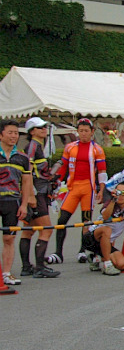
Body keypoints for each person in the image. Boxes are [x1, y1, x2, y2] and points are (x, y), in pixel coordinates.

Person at [46, 118, 107, 265]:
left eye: (86, 131)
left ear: (92, 132)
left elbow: (102, 171)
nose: (84, 134)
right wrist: (55, 181)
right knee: (62, 220)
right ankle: (58, 253)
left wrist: (102, 190)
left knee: (86, 222)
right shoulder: (70, 147)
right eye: (81, 131)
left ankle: (82, 251)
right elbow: (63, 166)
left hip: (88, 189)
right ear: (77, 132)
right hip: (73, 188)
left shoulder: (97, 149)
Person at [19, 117, 60, 278]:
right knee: (46, 230)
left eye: (45, 127)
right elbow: (27, 172)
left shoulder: (37, 146)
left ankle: (26, 267)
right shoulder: (33, 146)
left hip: (37, 191)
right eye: (40, 127)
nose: (44, 129)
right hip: (37, 193)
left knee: (28, 231)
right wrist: (30, 196)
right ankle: (40, 267)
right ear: (32, 131)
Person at [83, 182, 124, 275]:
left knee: (121, 264)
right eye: (118, 192)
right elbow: (106, 216)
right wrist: (113, 200)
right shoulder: (110, 203)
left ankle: (96, 257)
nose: (121, 196)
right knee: (107, 229)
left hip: (106, 243)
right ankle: (107, 264)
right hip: (92, 238)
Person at [0, 120, 32, 286]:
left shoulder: (22, 158)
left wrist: (24, 204)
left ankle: (6, 273)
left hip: (12, 201)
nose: (13, 136)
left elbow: (26, 183)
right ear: (1, 134)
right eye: (10, 132)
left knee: (8, 239)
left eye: (16, 133)